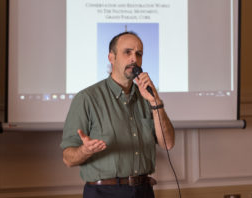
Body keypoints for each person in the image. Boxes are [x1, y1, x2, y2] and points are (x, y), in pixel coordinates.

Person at [60, 31, 175, 198]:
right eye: (127, 52)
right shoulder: (87, 98)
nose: (134, 59)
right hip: (104, 192)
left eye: (138, 54)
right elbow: (68, 158)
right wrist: (85, 150)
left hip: (144, 191)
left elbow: (168, 143)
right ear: (111, 57)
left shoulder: (147, 98)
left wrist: (155, 101)